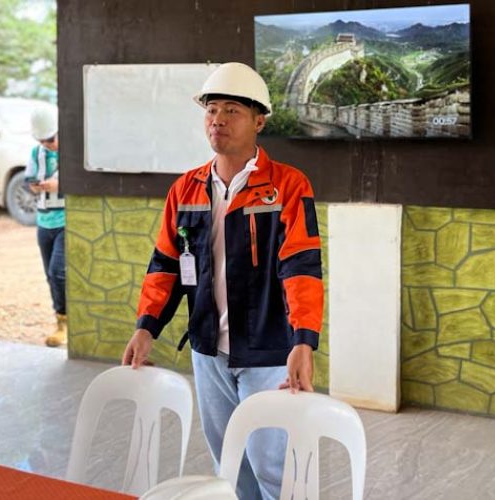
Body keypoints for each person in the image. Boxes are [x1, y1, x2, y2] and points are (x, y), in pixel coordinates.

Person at [122, 62, 324, 500]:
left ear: (259, 120)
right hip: (209, 351)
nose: (218, 119)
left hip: (268, 353)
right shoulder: (186, 188)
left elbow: (301, 267)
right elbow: (166, 265)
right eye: (212, 109)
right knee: (229, 465)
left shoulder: (287, 186)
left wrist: (303, 342)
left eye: (232, 110)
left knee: (274, 467)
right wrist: (146, 327)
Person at [26, 105, 67, 347]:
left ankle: (67, 319)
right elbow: (29, 179)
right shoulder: (36, 153)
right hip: (44, 221)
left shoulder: (71, 153)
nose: (48, 144)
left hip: (65, 220)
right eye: (43, 141)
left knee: (58, 271)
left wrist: (59, 184)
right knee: (50, 276)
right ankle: (61, 321)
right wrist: (36, 185)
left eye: (51, 139)